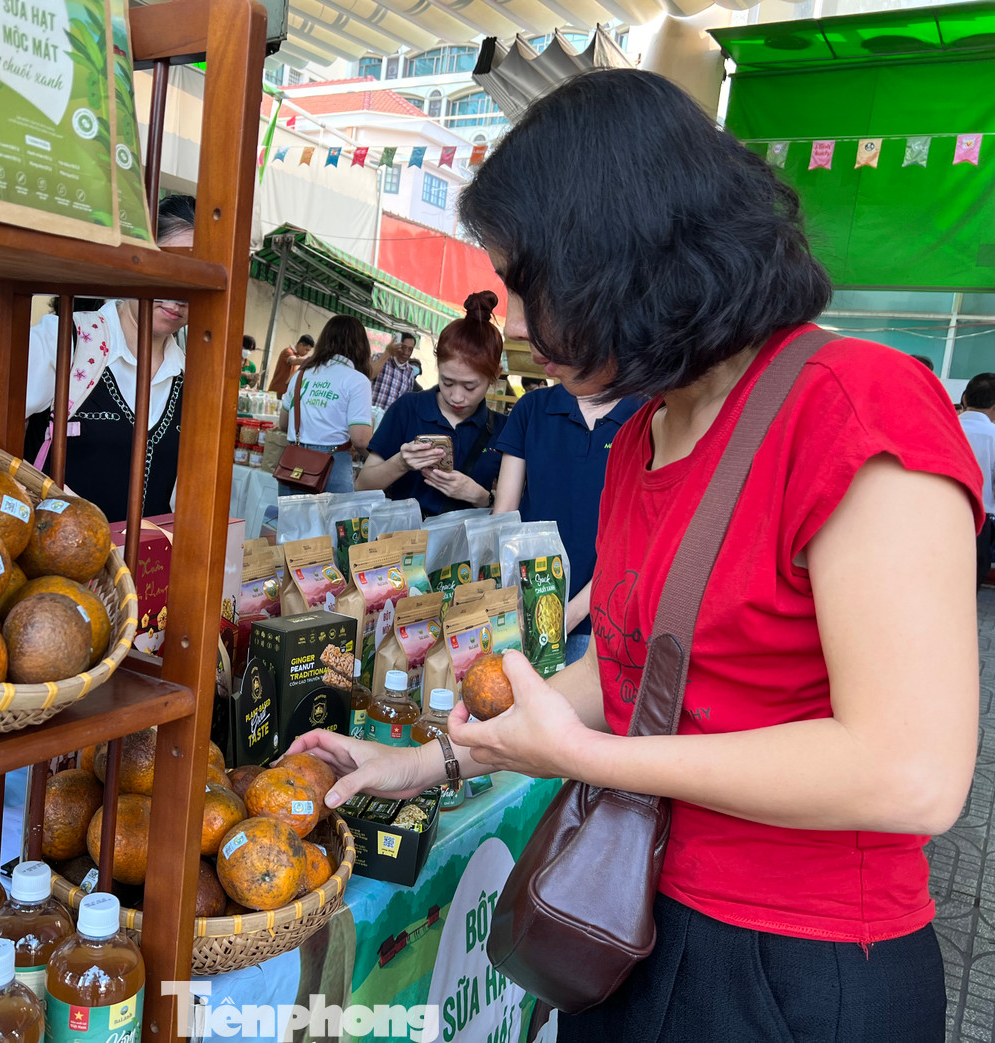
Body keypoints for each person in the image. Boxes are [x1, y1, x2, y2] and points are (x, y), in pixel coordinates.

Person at [287, 69, 980, 1042]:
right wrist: (430, 759)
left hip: (799, 963)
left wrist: (586, 757)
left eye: (531, 282)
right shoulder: (645, 430)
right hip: (626, 915)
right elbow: (626, 675)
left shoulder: (856, 403)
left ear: (631, 255)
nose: (514, 322)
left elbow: (911, 770)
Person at [0, 195, 197, 522]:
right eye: (169, 270)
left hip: (141, 569)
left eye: (193, 279)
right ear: (135, 260)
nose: (178, 296)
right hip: (57, 561)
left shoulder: (189, 377)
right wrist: (16, 483)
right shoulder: (68, 342)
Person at [492, 375, 643, 664]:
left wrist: (570, 615)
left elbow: (638, 538)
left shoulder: (644, 416)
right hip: (525, 604)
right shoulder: (534, 408)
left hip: (602, 615)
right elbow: (505, 514)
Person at [356, 291, 507, 514]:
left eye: (469, 387)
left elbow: (511, 511)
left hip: (468, 546)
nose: (456, 396)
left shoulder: (503, 429)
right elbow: (362, 486)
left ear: (495, 376)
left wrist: (480, 496)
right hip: (403, 543)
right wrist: (401, 462)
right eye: (447, 382)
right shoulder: (408, 408)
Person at [277, 315, 374, 495]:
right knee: (334, 523)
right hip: (332, 464)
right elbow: (361, 440)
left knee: (292, 522)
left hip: (293, 462)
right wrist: (378, 461)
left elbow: (283, 424)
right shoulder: (357, 381)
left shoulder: (301, 375)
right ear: (360, 345)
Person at [959, 372, 995, 587]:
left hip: (931, 515)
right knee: (969, 582)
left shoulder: (943, 427)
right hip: (978, 522)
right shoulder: (993, 434)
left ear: (964, 399)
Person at [369, 331, 417, 409]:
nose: (406, 352)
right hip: (370, 417)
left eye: (410, 349)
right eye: (403, 347)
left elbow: (405, 401)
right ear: (397, 345)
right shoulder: (379, 358)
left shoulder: (410, 372)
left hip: (391, 420)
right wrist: (387, 353)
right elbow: (368, 375)